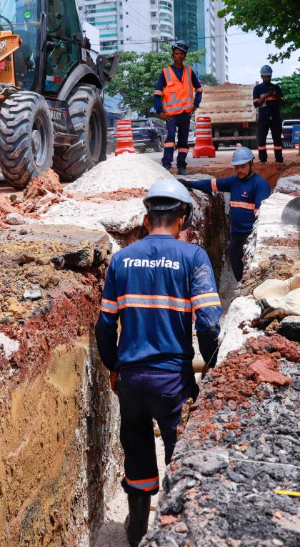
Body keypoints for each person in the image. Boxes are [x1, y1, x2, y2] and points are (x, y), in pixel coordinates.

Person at [95, 180, 222, 547]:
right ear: (182, 218)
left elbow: (105, 325)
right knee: (180, 459)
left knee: (136, 458)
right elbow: (210, 323)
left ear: (147, 218)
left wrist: (114, 367)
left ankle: (135, 534)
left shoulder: (121, 259)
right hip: (174, 383)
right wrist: (211, 368)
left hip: (132, 381)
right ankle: (173, 533)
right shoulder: (193, 258)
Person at [179, 147, 271, 282]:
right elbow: (212, 184)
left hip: (251, 235)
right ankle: (241, 285)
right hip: (236, 234)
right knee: (235, 263)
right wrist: (189, 184)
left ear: (252, 164)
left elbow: (260, 216)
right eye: (236, 167)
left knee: (250, 266)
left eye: (243, 166)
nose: (239, 170)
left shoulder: (260, 185)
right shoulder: (234, 181)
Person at [154, 41, 203, 176]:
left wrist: (195, 105)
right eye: (177, 54)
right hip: (170, 114)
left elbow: (199, 89)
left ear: (185, 55)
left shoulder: (189, 72)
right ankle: (166, 166)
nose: (179, 56)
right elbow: (157, 94)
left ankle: (181, 166)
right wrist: (160, 111)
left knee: (183, 141)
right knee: (170, 138)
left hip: (185, 113)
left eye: (182, 54)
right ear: (172, 55)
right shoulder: (165, 73)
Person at [253, 65, 284, 164]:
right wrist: (265, 96)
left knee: (277, 139)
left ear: (271, 76)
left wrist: (275, 95)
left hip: (275, 117)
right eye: (265, 76)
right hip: (263, 118)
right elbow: (256, 104)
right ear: (261, 76)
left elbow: (283, 102)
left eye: (269, 76)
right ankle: (263, 160)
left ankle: (279, 160)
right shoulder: (258, 89)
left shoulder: (276, 87)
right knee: (261, 139)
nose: (267, 78)